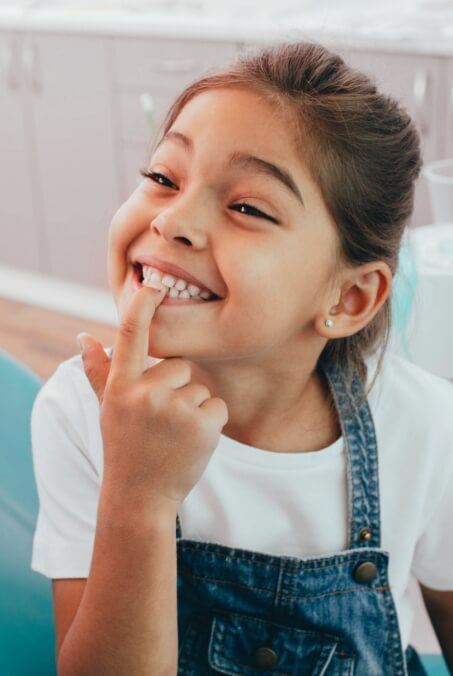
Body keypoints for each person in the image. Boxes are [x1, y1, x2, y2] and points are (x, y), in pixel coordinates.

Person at [30, 40, 453, 674]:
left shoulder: (426, 427)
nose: (173, 219)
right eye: (163, 177)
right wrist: (137, 495)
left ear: (349, 296)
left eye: (248, 207)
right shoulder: (78, 411)